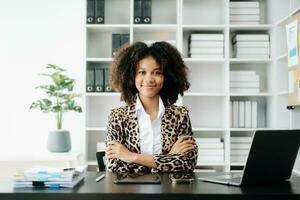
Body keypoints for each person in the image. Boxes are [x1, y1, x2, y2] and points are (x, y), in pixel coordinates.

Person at [105, 41, 198, 173]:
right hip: (129, 192)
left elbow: (188, 163)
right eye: (142, 72)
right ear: (131, 76)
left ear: (167, 76)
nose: (149, 79)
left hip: (168, 191)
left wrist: (131, 157)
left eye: (157, 72)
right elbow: (114, 166)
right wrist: (170, 158)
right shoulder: (117, 117)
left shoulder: (180, 115)